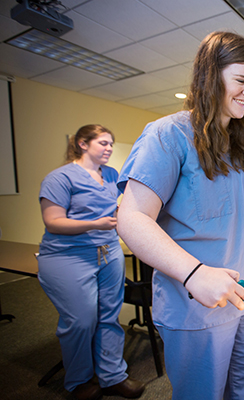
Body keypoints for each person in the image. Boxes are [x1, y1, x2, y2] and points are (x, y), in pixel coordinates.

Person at [116, 31, 244, 400]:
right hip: (198, 308)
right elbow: (131, 219)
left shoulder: (239, 146)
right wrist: (195, 273)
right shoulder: (167, 136)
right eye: (240, 80)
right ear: (210, 76)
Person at [37, 125, 145, 400]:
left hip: (108, 253)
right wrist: (96, 223)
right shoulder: (59, 178)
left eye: (111, 143)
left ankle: (112, 376)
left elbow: (117, 208)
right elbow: (53, 222)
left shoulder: (110, 175)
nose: (109, 148)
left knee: (109, 316)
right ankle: (78, 381)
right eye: (103, 143)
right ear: (82, 144)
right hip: (68, 255)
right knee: (82, 321)